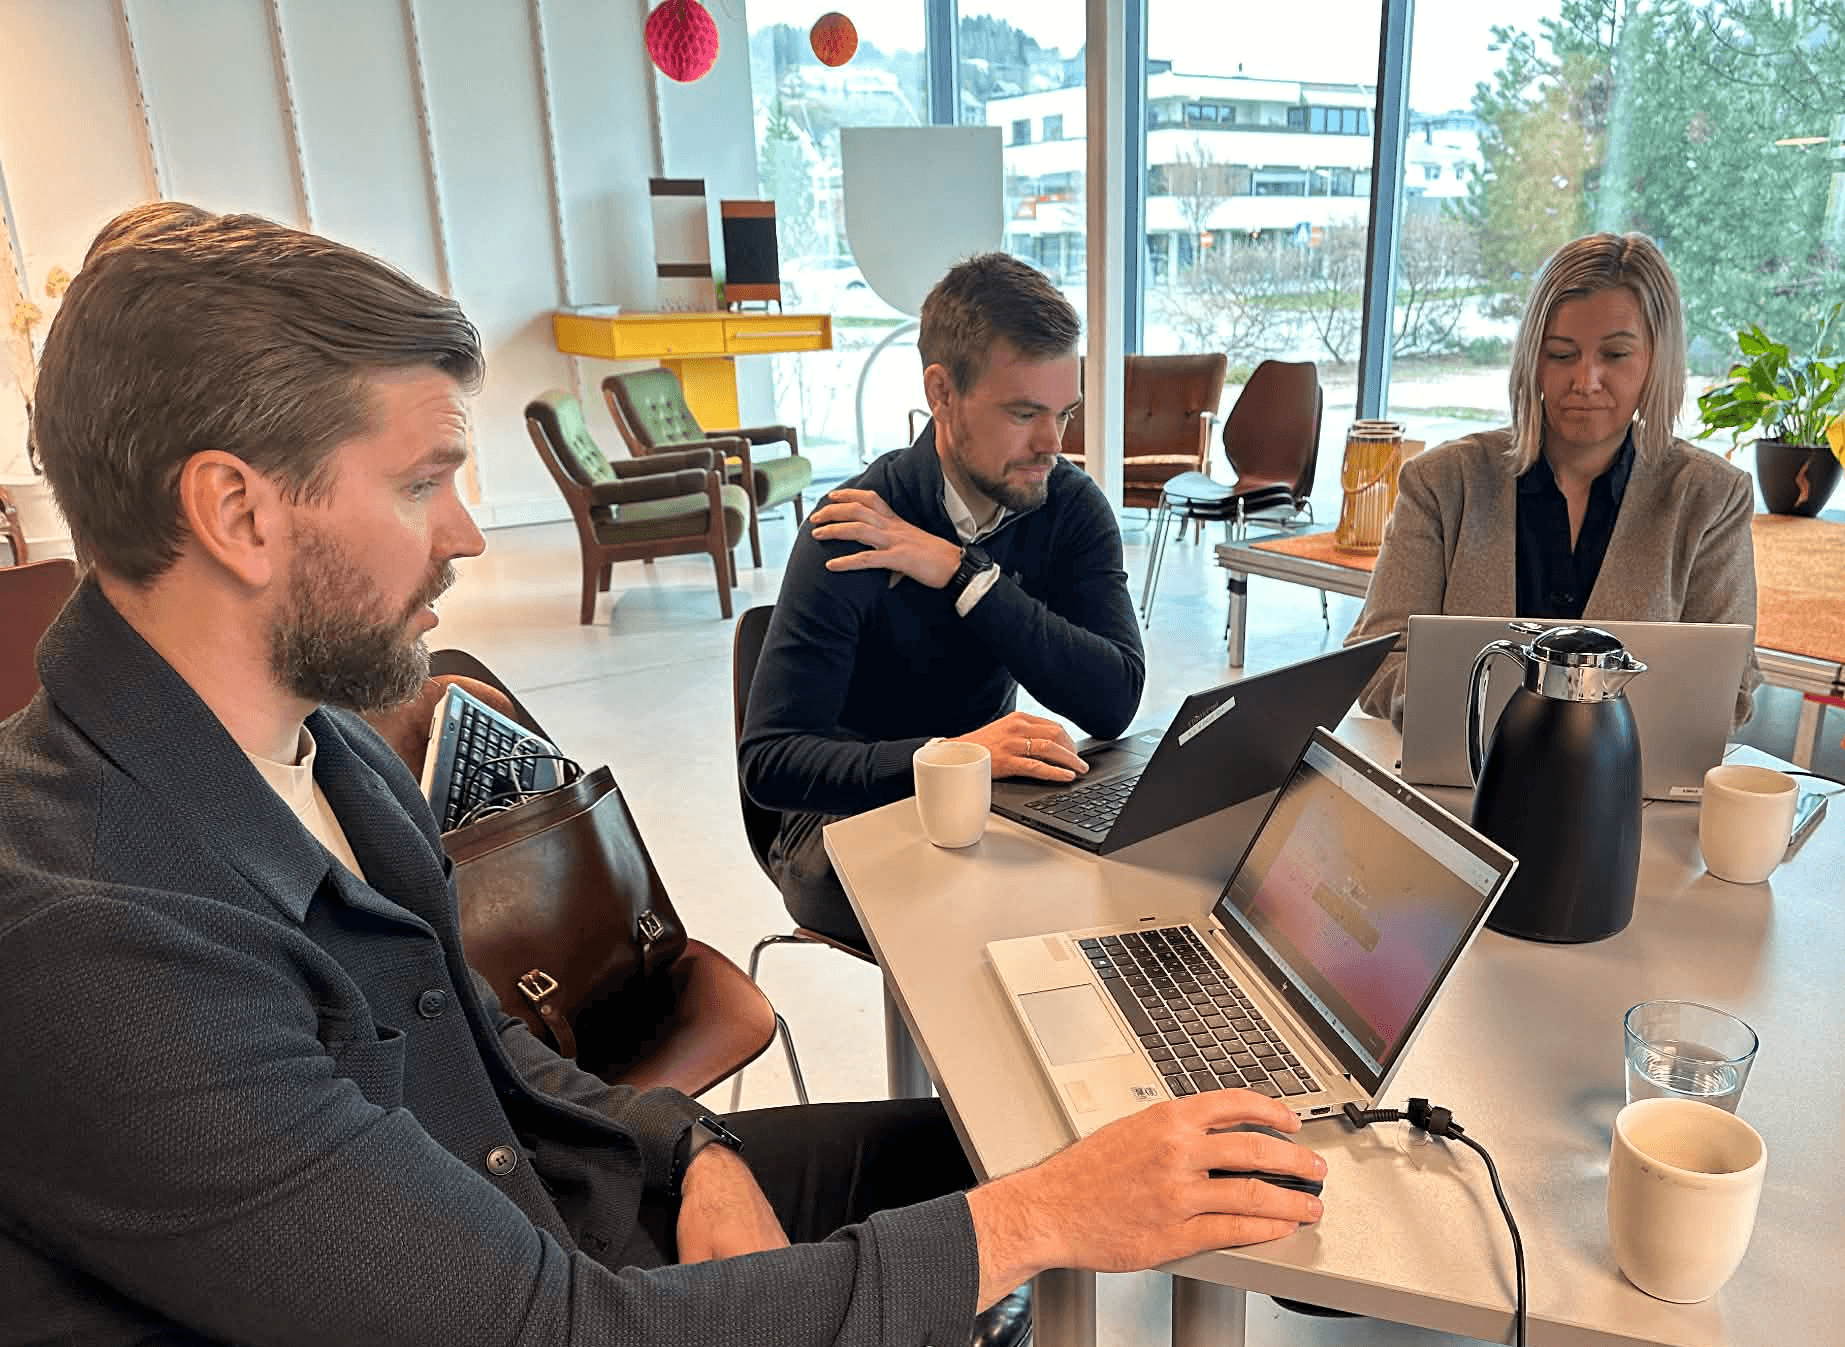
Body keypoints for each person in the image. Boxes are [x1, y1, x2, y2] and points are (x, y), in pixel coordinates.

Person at [0, 205, 1324, 1346]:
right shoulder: (94, 946)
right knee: (1021, 1189)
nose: (466, 531)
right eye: (419, 483)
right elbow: (552, 1325)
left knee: (982, 1148)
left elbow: (494, 1052)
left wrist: (687, 1144)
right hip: (562, 1292)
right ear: (238, 511)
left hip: (565, 1210)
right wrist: (1042, 1217)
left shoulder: (329, 745)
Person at [740, 253, 1145, 952]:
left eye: (1064, 413)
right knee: (1000, 914)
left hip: (983, 794)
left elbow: (1112, 701)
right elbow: (771, 762)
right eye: (1023, 414)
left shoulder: (1068, 506)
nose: (1052, 445)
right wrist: (950, 756)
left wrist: (965, 575)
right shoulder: (853, 526)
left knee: (1130, 869)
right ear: (942, 392)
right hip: (836, 822)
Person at [1346, 231, 1760, 726]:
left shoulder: (1711, 497)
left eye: (1615, 355)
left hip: (1629, 794)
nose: (1585, 381)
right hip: (1465, 786)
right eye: (1562, 354)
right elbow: (1377, 662)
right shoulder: (1440, 483)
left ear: (1656, 360)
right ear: (1531, 360)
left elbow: (1730, 687)